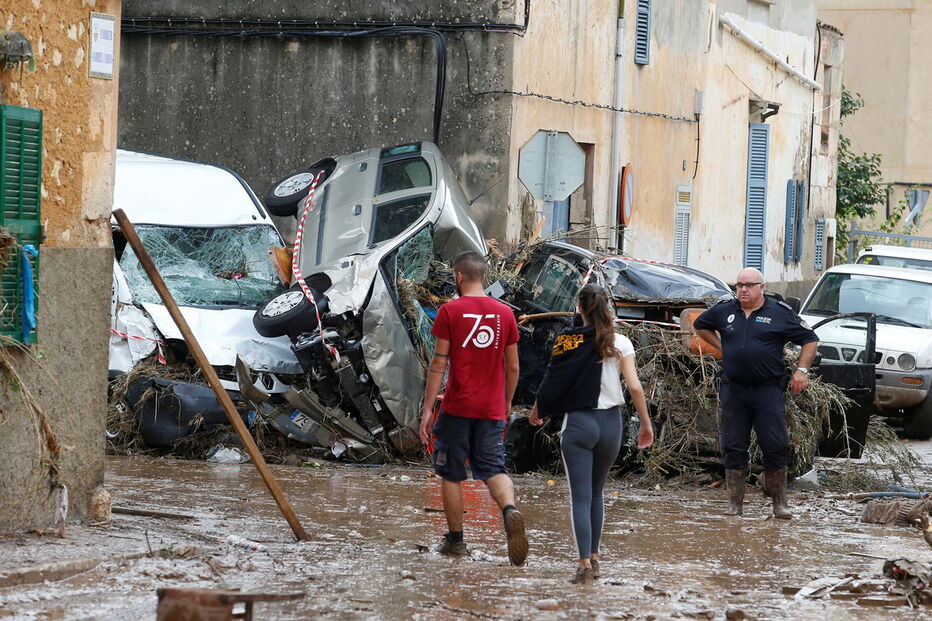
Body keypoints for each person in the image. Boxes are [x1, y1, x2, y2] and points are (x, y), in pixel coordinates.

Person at [528, 284, 653, 584]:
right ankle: (595, 559)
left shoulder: (567, 340)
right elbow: (635, 387)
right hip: (612, 425)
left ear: (579, 309)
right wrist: (646, 424)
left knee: (580, 497)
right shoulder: (620, 342)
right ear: (606, 308)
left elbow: (552, 379)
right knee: (598, 493)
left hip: (580, 424)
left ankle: (584, 565)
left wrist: (537, 409)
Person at [419, 251, 528, 566]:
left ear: (458, 276)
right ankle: (510, 510)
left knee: (451, 473)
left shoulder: (450, 311)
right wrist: (506, 403)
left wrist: (428, 408)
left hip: (457, 408)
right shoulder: (504, 314)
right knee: (494, 467)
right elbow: (514, 368)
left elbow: (439, 363)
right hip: (491, 408)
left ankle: (455, 541)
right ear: (484, 276)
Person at [693, 267, 818, 519]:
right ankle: (734, 504)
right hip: (734, 389)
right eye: (739, 285)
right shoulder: (726, 310)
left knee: (775, 444)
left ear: (762, 287)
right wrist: (721, 347)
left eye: (749, 285)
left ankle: (779, 504)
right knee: (732, 445)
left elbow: (810, 339)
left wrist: (801, 370)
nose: (743, 290)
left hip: (767, 390)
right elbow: (700, 325)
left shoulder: (778, 313)